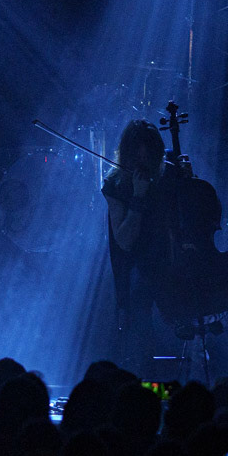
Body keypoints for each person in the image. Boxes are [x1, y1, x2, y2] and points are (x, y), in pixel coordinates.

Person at [102, 119, 170, 373]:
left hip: (171, 258)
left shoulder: (168, 175)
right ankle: (145, 373)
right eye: (137, 160)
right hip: (138, 263)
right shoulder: (116, 186)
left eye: (149, 160)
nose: (143, 166)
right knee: (139, 294)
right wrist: (138, 197)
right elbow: (124, 241)